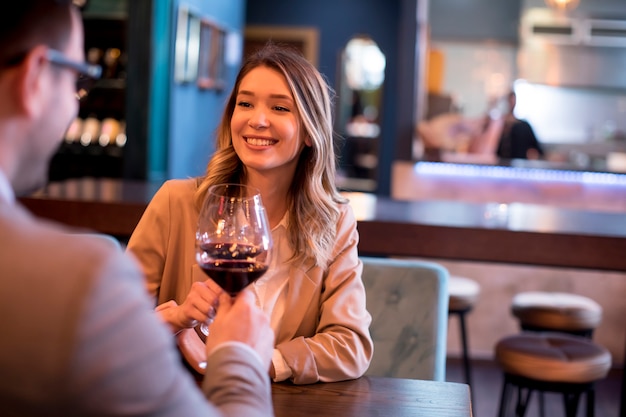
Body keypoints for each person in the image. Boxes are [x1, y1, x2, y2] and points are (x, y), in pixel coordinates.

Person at [0, 1, 274, 415]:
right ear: (36, 77)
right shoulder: (84, 284)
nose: (75, 103)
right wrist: (241, 357)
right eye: (78, 79)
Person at [127, 43, 374, 385]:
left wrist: (260, 363)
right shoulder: (176, 202)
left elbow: (351, 346)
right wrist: (177, 321)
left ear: (309, 131)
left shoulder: (334, 222)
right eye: (245, 104)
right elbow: (115, 328)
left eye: (279, 107)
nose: (257, 120)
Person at [495, 90, 544, 160]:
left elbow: (536, 149)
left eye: (513, 100)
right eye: (509, 100)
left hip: (519, 164)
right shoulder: (497, 125)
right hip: (499, 165)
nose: (511, 103)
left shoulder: (524, 126)